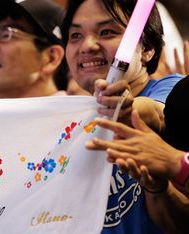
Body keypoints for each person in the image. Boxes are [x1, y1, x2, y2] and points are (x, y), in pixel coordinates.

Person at [61, 0, 184, 233]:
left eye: (106, 32)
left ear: (147, 49)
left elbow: (156, 112)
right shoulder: (66, 122)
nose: (87, 45)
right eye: (75, 35)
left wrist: (127, 111)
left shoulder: (172, 89)